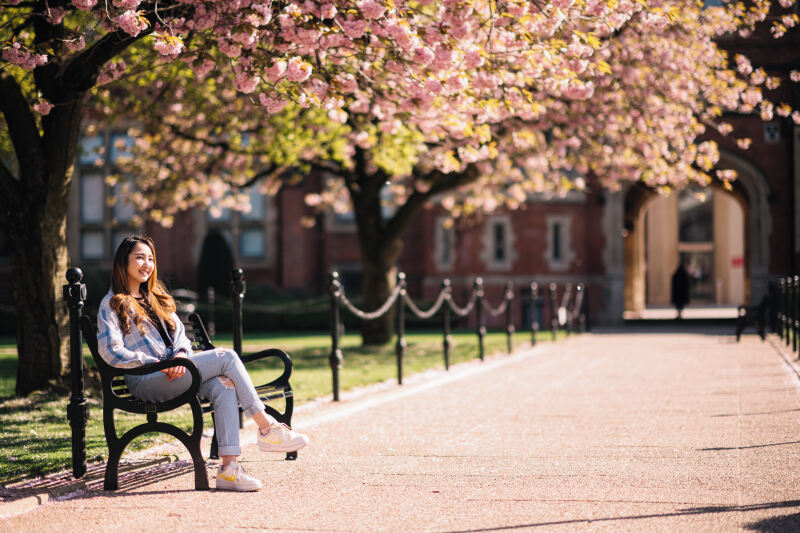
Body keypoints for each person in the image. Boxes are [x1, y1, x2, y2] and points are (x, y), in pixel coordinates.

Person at [97, 235, 309, 492]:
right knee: (227, 356)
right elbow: (111, 352)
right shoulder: (112, 304)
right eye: (139, 257)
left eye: (151, 258)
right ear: (124, 262)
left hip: (176, 373)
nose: (147, 264)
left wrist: (182, 356)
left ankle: (229, 470)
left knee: (224, 384)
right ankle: (267, 428)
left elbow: (181, 339)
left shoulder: (156, 298)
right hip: (146, 379)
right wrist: (157, 363)